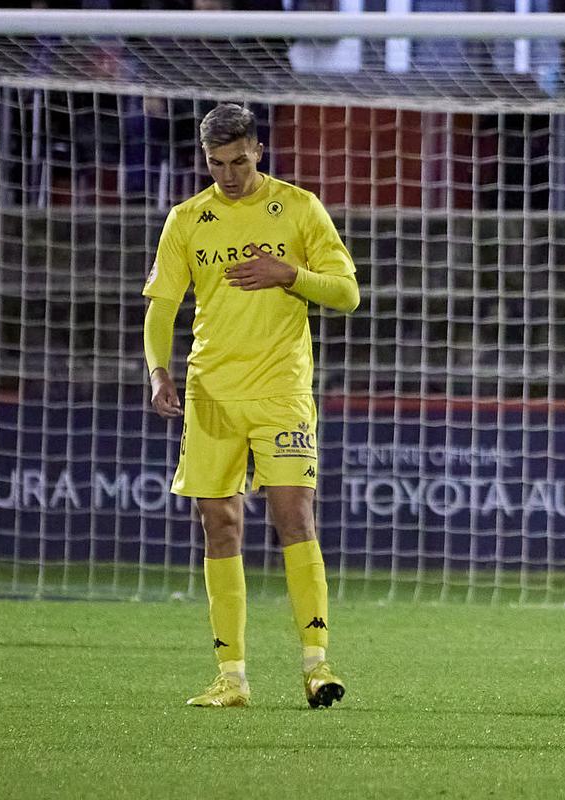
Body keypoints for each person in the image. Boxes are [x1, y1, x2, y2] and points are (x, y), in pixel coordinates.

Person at [142, 103, 360, 708]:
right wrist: (159, 372)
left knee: (294, 517)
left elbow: (347, 293)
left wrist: (291, 274)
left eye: (239, 161)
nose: (229, 175)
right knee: (220, 523)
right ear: (205, 159)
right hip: (210, 391)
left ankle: (318, 666)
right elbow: (161, 307)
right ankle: (231, 677)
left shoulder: (298, 208)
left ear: (257, 151)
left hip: (281, 392)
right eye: (217, 164)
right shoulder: (188, 219)